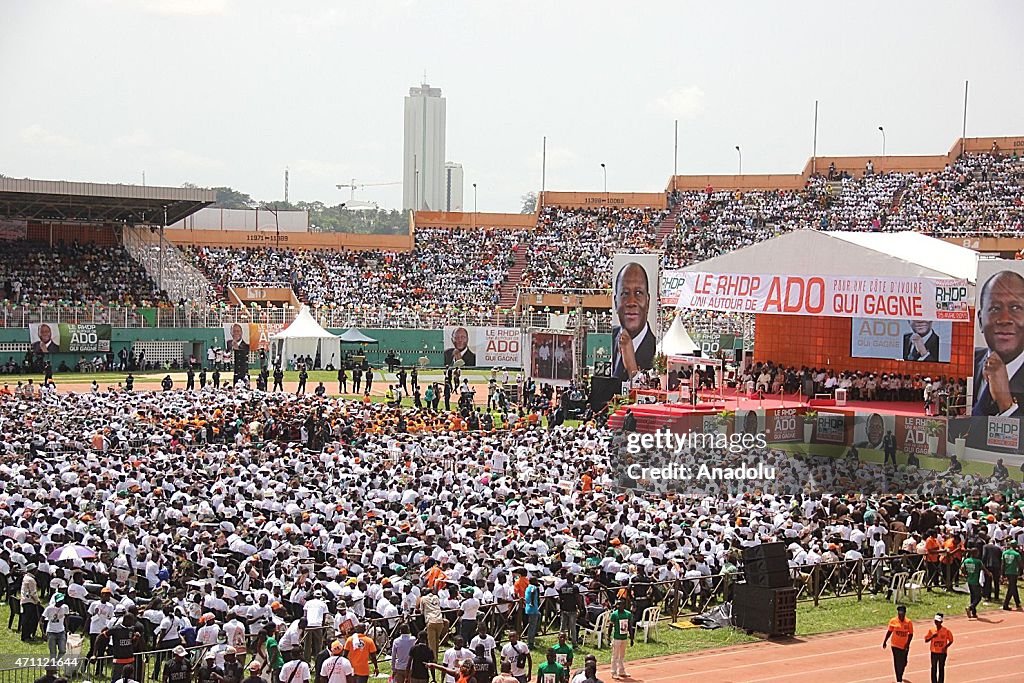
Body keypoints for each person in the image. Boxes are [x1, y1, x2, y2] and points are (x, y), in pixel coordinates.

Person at [972, 270, 1024, 416]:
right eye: (995, 308)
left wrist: (1006, 404)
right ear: (981, 321)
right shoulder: (970, 361)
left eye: (1016, 308)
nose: (1004, 319)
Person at [611, 262, 655, 381]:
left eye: (638, 293)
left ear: (648, 301)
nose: (631, 302)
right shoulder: (605, 338)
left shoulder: (659, 351)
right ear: (616, 302)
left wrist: (632, 367)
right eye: (625, 294)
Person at [882, 604, 913, 683]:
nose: (900, 615)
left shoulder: (908, 622)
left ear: (905, 613)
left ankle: (900, 674)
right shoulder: (893, 621)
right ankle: (898, 679)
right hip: (895, 645)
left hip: (904, 645)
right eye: (899, 613)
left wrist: (907, 644)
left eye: (902, 614)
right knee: (897, 661)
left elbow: (911, 634)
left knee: (903, 662)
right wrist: (885, 641)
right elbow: (889, 631)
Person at [924, 613, 953, 683]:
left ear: (941, 622)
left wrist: (945, 647)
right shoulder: (931, 630)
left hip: (942, 653)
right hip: (934, 652)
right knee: (933, 668)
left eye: (938, 622)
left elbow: (951, 640)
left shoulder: (946, 630)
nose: (936, 623)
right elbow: (926, 640)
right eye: (935, 621)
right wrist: (932, 637)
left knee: (941, 668)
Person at [608, 598, 633, 680]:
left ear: (624, 605)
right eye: (617, 605)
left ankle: (621, 671)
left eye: (620, 604)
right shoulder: (614, 614)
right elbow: (610, 626)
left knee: (622, 655)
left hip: (624, 637)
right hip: (617, 638)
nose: (618, 606)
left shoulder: (628, 614)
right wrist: (608, 637)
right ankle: (613, 672)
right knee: (615, 655)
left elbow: (629, 626)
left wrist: (632, 637)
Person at [961, 547, 989, 618]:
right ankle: (970, 607)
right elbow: (984, 569)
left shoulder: (966, 560)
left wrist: (966, 574)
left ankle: (973, 613)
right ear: (975, 553)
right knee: (978, 597)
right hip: (976, 581)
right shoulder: (978, 561)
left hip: (969, 580)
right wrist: (989, 574)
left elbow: (962, 568)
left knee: (972, 596)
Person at [1003, 539, 1022, 610]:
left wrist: (1002, 574)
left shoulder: (1005, 553)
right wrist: (1021, 572)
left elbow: (1003, 564)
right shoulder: (1017, 554)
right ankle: (1006, 604)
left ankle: (1017, 602)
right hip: (1014, 572)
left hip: (1007, 572)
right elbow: (1020, 564)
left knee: (1013, 587)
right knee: (1011, 588)